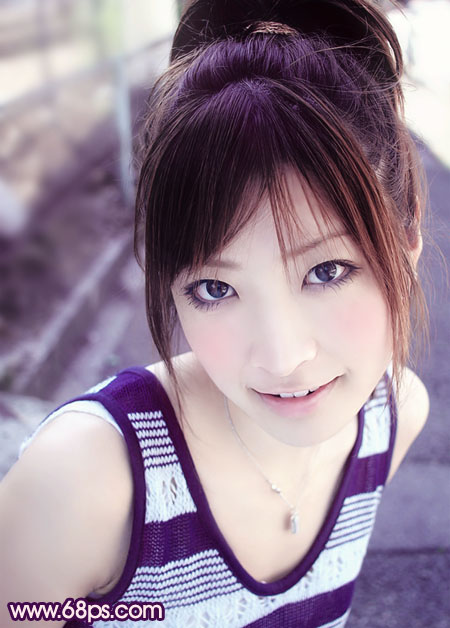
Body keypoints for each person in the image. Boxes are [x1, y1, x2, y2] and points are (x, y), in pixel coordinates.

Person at [0, 0, 430, 626]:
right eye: (214, 288)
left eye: (327, 272)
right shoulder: (87, 480)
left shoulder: (394, 417)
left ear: (407, 243)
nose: (282, 358)